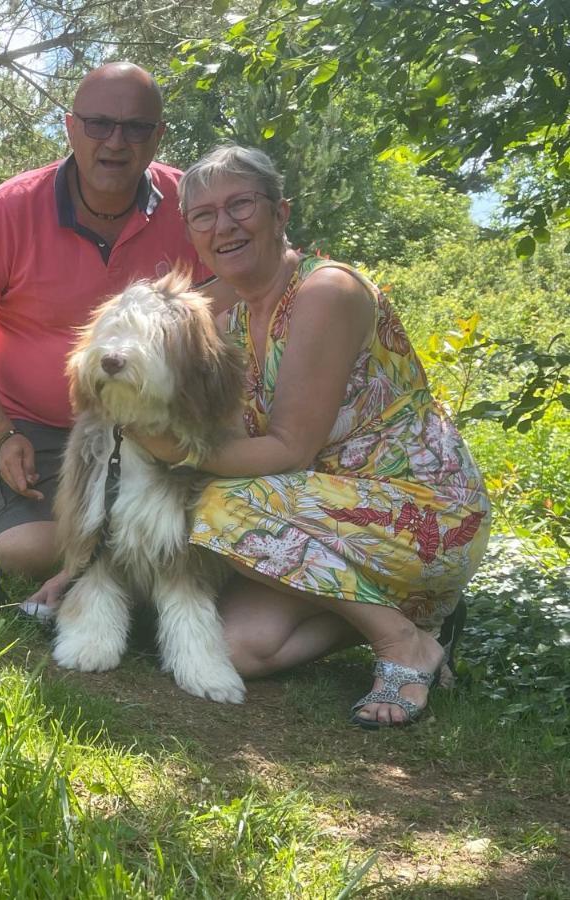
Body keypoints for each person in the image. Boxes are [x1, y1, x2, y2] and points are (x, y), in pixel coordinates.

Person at [110, 143, 490, 728]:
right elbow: (126, 341)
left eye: (242, 205)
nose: (224, 225)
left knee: (217, 505)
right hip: (316, 516)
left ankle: (398, 643)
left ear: (281, 212)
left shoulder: (326, 292)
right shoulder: (221, 312)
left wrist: (174, 450)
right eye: (204, 215)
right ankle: (420, 615)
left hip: (423, 511)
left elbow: (290, 449)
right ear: (190, 231)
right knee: (237, 648)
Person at [0, 62, 214, 614]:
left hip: (155, 417)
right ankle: (112, 572)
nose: (116, 141)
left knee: (215, 529)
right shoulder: (11, 207)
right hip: (37, 428)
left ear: (157, 136)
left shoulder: (192, 204)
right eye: (98, 124)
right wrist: (1, 433)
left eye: (136, 127)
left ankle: (103, 576)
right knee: (23, 550)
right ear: (69, 128)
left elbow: (224, 320)